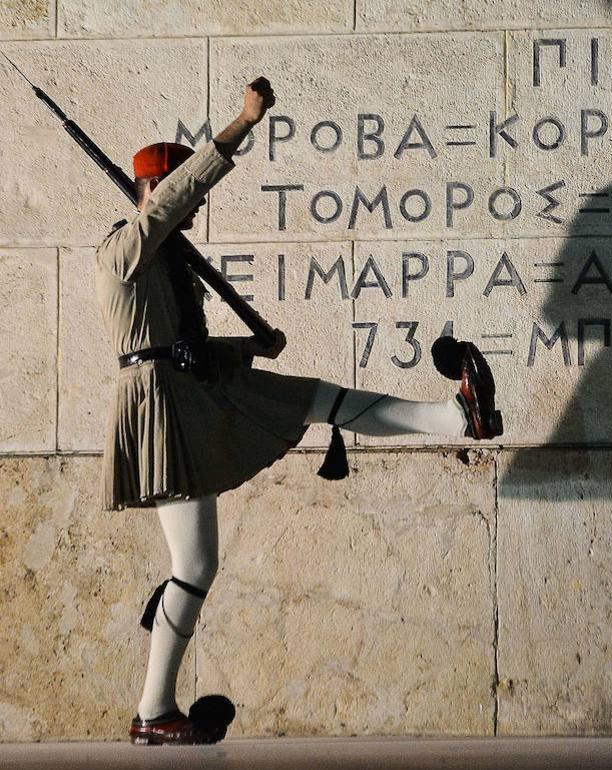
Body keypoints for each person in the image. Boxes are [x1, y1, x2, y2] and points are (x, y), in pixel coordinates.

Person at [93, 76, 503, 745]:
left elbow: (183, 348)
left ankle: (458, 420)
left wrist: (250, 347)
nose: (190, 218)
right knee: (194, 566)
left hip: (193, 394)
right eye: (175, 203)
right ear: (149, 194)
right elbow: (175, 205)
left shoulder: (166, 264)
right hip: (164, 412)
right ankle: (152, 711)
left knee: (312, 401)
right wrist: (242, 123)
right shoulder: (124, 252)